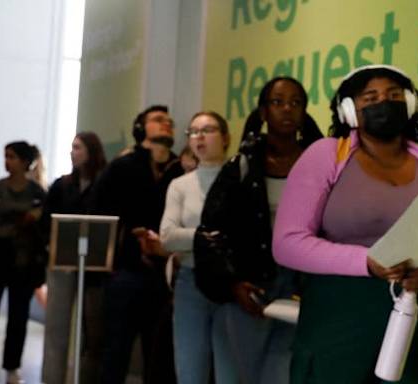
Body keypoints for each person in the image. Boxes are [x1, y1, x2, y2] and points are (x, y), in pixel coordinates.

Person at [272, 65, 418, 383]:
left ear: (410, 104)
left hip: (413, 314)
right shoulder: (326, 155)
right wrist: (366, 262)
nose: (383, 103)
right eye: (370, 97)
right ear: (349, 109)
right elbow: (287, 242)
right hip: (339, 319)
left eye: (392, 95)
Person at [177, 77, 324, 383]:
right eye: (278, 102)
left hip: (301, 285)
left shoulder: (319, 162)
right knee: (241, 375)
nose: (287, 109)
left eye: (296, 103)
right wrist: (233, 284)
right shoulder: (241, 165)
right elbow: (212, 232)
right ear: (263, 112)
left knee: (283, 374)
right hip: (251, 285)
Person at [91, 105, 183, 384]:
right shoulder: (122, 166)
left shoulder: (179, 169)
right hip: (126, 273)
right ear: (142, 127)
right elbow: (98, 212)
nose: (166, 124)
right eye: (158, 120)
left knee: (159, 356)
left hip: (165, 276)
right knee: (115, 351)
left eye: (169, 121)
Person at [0, 141, 48, 384]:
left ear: (25, 161)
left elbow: (44, 226)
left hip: (24, 258)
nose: (7, 161)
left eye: (12, 157)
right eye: (6, 156)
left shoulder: (38, 193)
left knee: (18, 315)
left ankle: (12, 366)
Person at [41, 132, 107, 384]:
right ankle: (52, 379)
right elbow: (46, 221)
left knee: (94, 331)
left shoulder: (104, 183)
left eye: (78, 147)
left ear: (91, 150)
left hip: (95, 266)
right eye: (71, 147)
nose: (72, 152)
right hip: (62, 262)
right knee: (56, 326)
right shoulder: (61, 185)